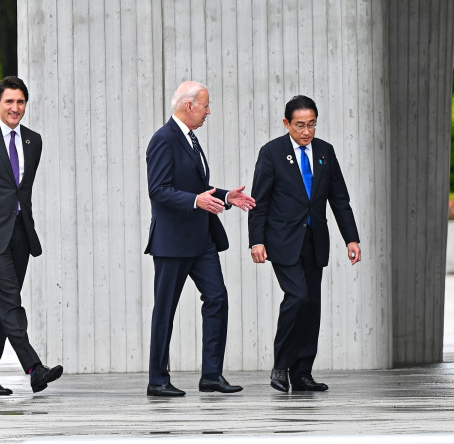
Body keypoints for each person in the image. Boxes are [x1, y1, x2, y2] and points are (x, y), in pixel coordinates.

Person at [144, 81, 255, 397]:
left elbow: (194, 185)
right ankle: (158, 380)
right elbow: (159, 190)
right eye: (205, 105)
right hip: (173, 240)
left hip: (201, 238)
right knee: (165, 309)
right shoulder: (164, 140)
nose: (209, 111)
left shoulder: (189, 139)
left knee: (218, 297)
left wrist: (225, 196)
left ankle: (211, 375)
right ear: (188, 105)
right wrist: (196, 201)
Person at [249, 95, 362, 393]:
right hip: (282, 241)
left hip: (315, 239)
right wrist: (256, 241)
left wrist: (351, 237)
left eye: (311, 124)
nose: (306, 131)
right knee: (297, 296)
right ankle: (280, 365)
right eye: (300, 125)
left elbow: (339, 199)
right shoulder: (272, 153)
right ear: (287, 124)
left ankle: (302, 373)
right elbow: (258, 202)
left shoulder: (325, 152)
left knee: (312, 305)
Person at [0, 76, 62, 396]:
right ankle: (33, 367)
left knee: (0, 306)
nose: (14, 108)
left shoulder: (34, 140)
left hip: (21, 232)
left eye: (20, 102)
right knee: (10, 301)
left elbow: (23, 189)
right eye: (9, 102)